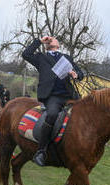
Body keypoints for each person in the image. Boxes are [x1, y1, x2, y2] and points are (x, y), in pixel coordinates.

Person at [22, 36, 83, 166]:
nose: (51, 40)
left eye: (53, 39)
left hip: (69, 95)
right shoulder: (40, 57)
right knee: (52, 115)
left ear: (58, 44)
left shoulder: (66, 58)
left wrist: (75, 74)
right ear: (46, 45)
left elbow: (80, 74)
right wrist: (39, 40)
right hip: (52, 96)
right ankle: (41, 151)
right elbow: (25, 54)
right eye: (49, 40)